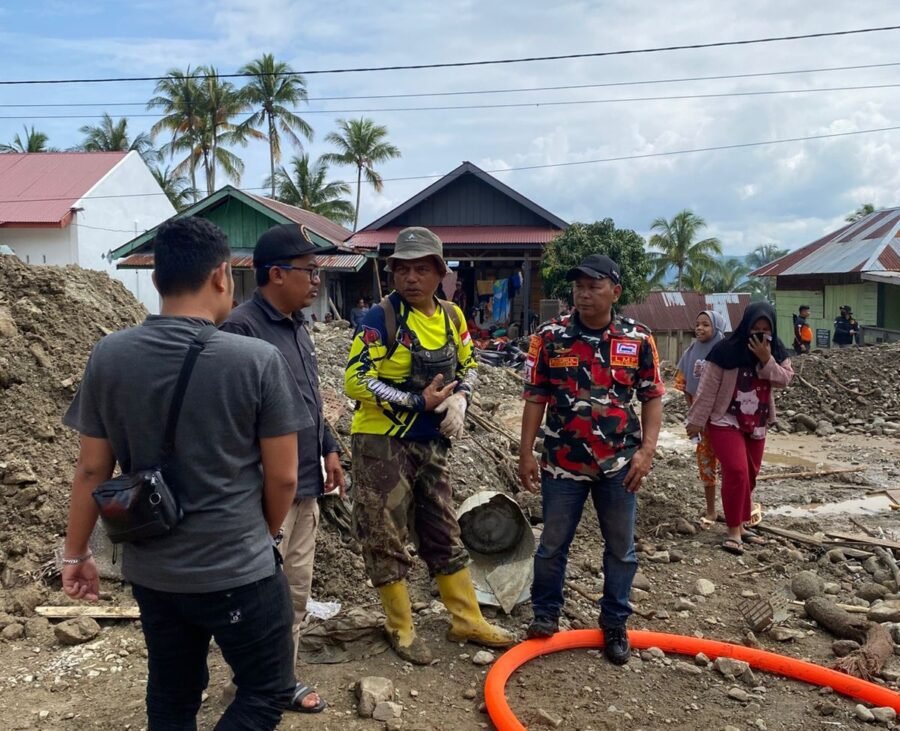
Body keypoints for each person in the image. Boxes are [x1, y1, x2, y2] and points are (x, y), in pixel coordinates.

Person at [60, 217, 309, 730]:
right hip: (237, 570)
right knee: (267, 688)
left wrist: (76, 553)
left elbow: (91, 469)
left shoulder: (109, 355)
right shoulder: (256, 360)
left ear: (156, 279)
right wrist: (257, 536)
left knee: (171, 693)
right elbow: (284, 477)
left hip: (154, 572)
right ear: (222, 275)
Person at [344, 226, 515, 665]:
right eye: (403, 269)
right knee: (385, 532)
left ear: (441, 273)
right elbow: (355, 380)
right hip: (381, 442)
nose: (411, 278)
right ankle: (400, 626)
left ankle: (467, 620)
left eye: (421, 269)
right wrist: (416, 402)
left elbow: (470, 362)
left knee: (442, 526)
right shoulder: (380, 319)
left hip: (432, 442)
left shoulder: (452, 317)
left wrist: (462, 398)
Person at [221, 223, 346, 714]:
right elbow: (235, 424)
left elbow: (308, 402)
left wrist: (329, 447)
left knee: (294, 594)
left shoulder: (297, 327)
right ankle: (251, 686)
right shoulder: (241, 330)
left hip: (305, 486)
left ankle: (279, 681)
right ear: (276, 273)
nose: (316, 280)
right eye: (309, 271)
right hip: (265, 495)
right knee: (259, 599)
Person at [518, 254, 664, 665]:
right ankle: (545, 614)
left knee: (620, 548)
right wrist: (525, 452)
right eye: (578, 286)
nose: (583, 294)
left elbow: (653, 396)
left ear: (615, 292)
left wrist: (647, 451)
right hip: (562, 462)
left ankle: (614, 623)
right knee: (552, 544)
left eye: (594, 286)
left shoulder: (638, 338)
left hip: (619, 465)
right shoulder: (550, 337)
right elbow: (535, 396)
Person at [686, 302, 794, 556]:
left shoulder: (776, 350)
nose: (760, 334)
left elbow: (784, 380)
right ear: (745, 326)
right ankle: (733, 531)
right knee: (736, 470)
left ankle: (743, 524)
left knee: (750, 474)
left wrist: (766, 359)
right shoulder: (725, 350)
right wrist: (695, 421)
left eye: (766, 329)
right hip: (725, 420)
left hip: (757, 421)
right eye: (755, 328)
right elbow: (707, 389)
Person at [675, 309, 726, 527]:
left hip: (725, 419)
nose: (699, 328)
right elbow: (685, 386)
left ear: (717, 327)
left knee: (731, 464)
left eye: (706, 324)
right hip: (701, 421)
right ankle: (711, 510)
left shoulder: (727, 351)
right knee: (706, 463)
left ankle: (735, 510)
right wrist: (694, 415)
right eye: (697, 324)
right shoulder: (691, 352)